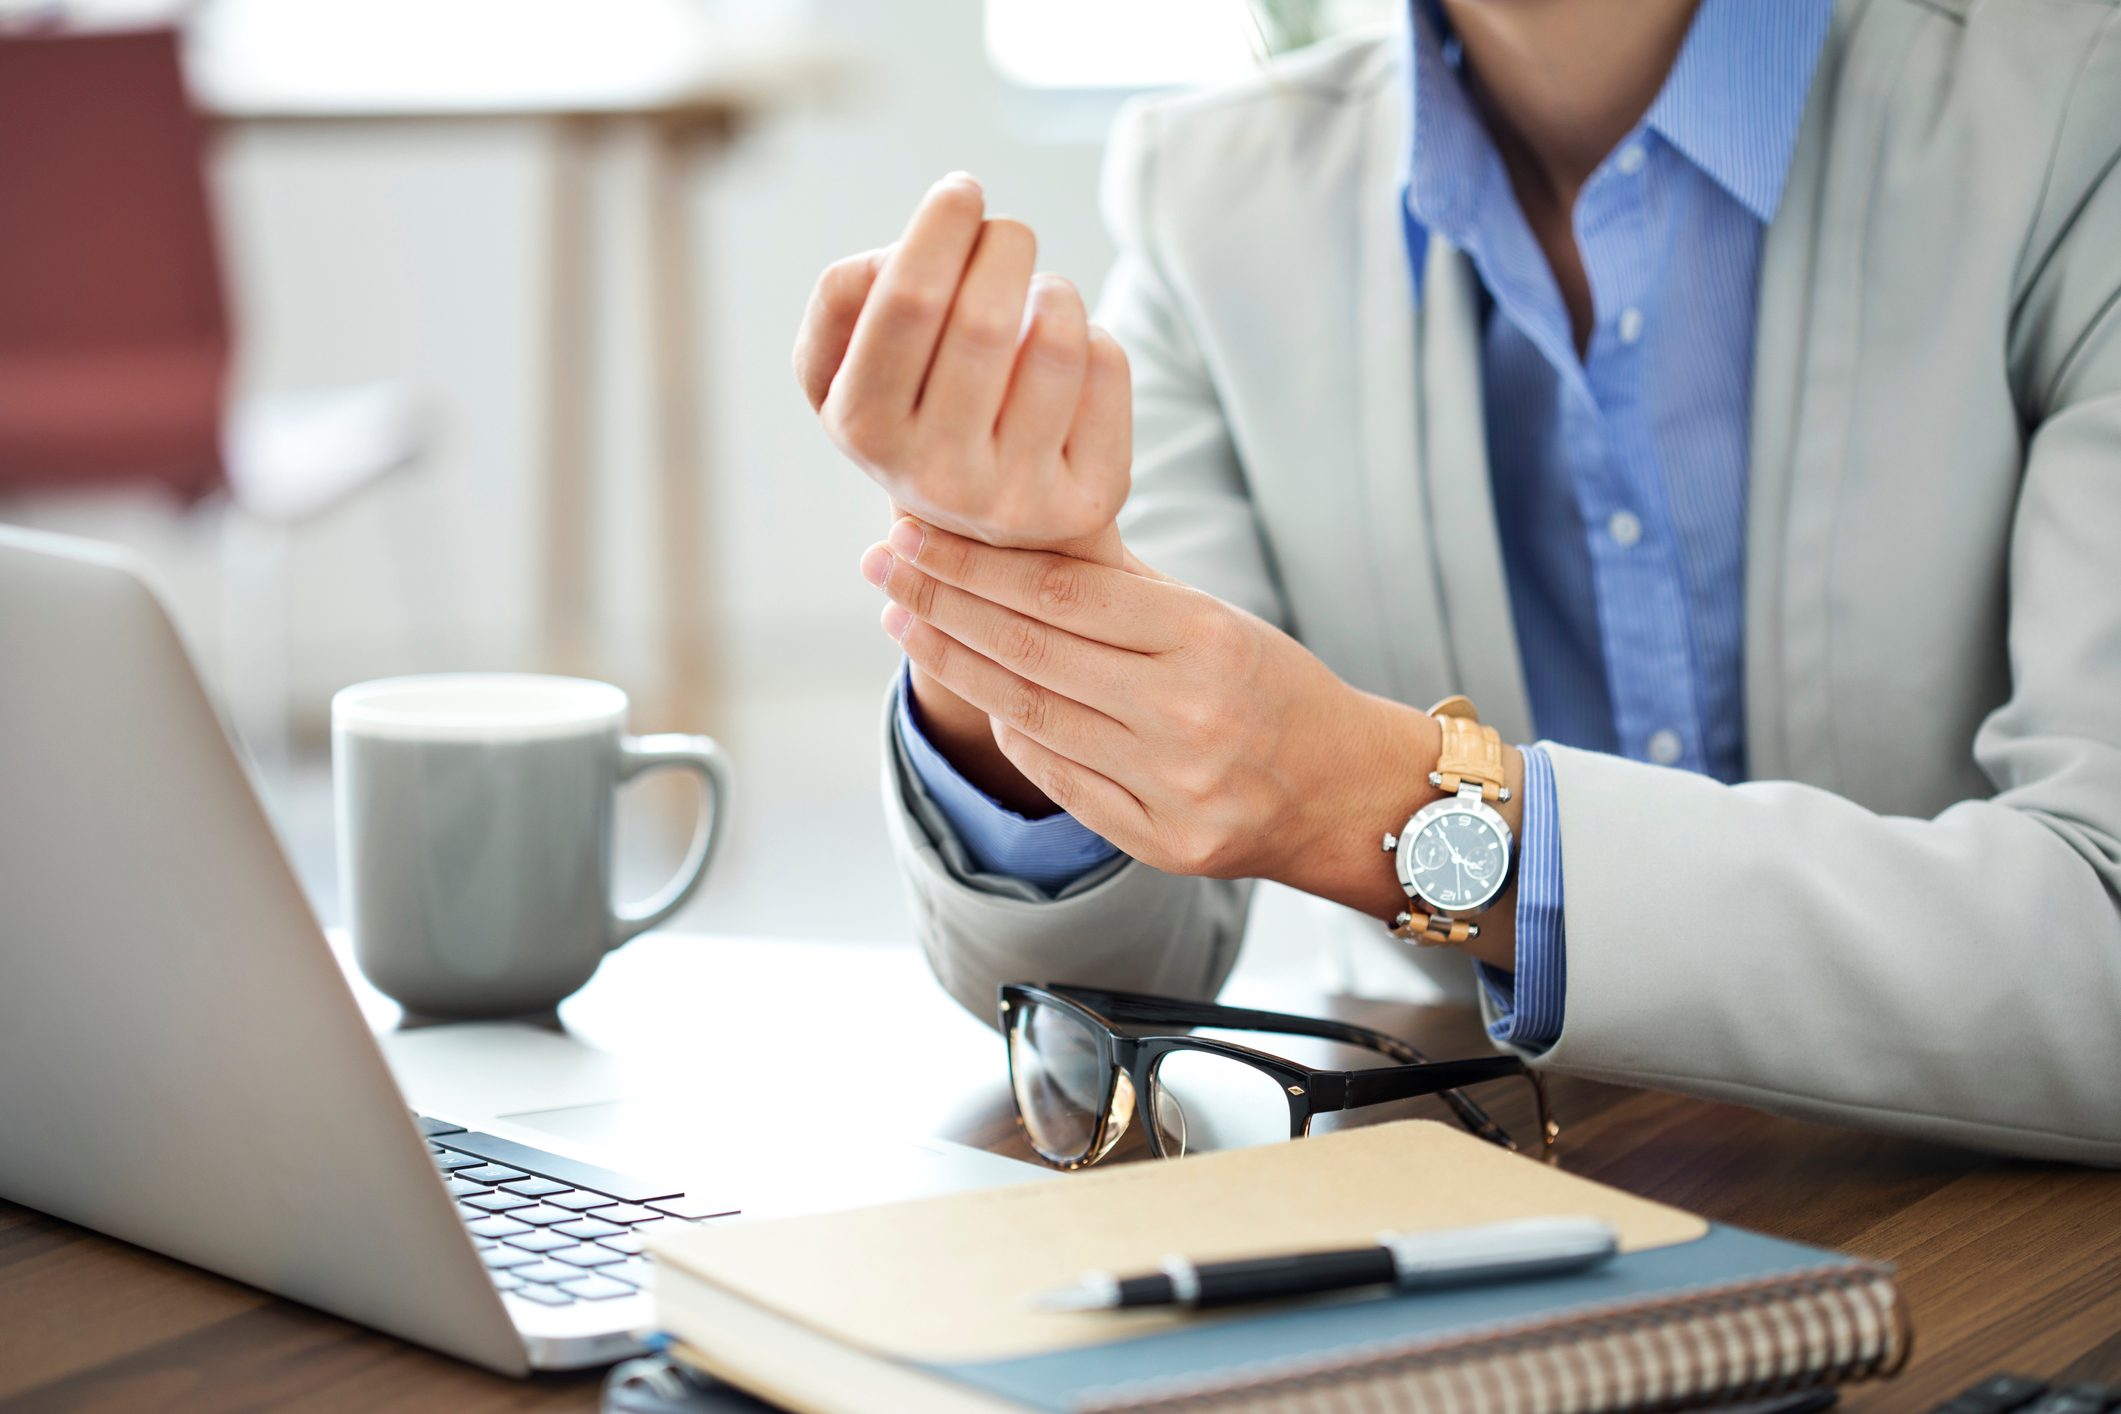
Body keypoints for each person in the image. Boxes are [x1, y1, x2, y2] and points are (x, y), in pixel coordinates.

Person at [791, 0, 2121, 1164]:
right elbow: (1097, 1000)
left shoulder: (2077, 118)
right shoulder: (1213, 199)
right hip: (1467, 1216)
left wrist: (1370, 801)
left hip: (2006, 1241)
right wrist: (1001, 626)